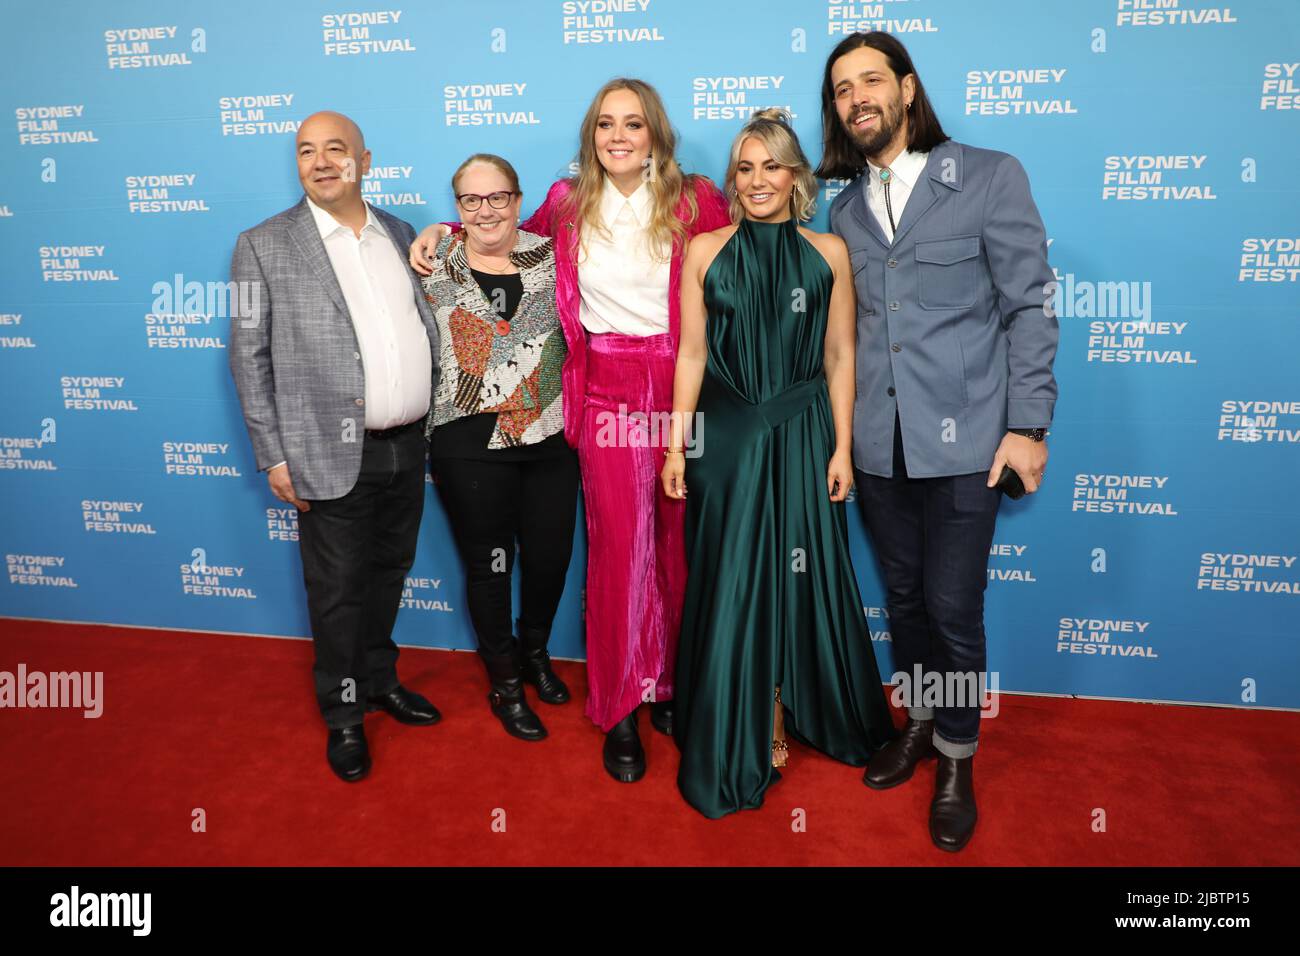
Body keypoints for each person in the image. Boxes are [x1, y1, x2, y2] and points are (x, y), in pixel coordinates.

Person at [411, 79, 730, 783]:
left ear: (655, 134)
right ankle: (620, 706)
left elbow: (740, 262)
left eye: (634, 124)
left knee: (677, 547)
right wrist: (446, 230)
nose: (619, 136)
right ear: (592, 135)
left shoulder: (697, 200)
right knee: (620, 552)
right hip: (607, 390)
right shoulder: (566, 202)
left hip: (681, 390)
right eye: (606, 124)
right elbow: (499, 234)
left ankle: (671, 687)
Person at [817, 32, 1059, 851]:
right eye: (844, 88)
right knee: (909, 601)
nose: (859, 99)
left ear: (908, 89)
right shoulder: (843, 209)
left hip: (967, 445)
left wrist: (1028, 427)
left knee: (955, 609)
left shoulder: (990, 175)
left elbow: (1030, 306)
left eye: (872, 81)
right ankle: (921, 721)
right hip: (882, 450)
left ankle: (957, 754)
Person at [661, 109, 896, 818]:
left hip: (801, 431)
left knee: (799, 574)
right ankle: (745, 718)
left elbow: (840, 357)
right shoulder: (704, 249)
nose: (757, 179)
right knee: (733, 576)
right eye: (744, 166)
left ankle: (797, 700)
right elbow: (694, 353)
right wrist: (676, 443)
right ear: (731, 180)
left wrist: (843, 447)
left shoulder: (827, 254)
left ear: (795, 176)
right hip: (726, 435)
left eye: (771, 165)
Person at [229, 111, 443, 784]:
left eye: (335, 150)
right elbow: (248, 355)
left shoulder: (400, 234)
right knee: (337, 592)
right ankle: (345, 714)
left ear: (365, 160)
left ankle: (380, 680)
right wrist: (272, 453)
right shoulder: (262, 244)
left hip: (407, 446)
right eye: (306, 152)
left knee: (388, 574)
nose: (320, 162)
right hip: (323, 450)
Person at [419, 153, 579, 741]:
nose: (485, 210)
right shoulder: (434, 260)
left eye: (498, 197)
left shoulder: (557, 255)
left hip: (550, 434)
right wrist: (437, 231)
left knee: (550, 556)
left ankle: (535, 653)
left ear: (517, 199)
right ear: (457, 207)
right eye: (470, 200)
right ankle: (505, 679)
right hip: (468, 440)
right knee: (489, 563)